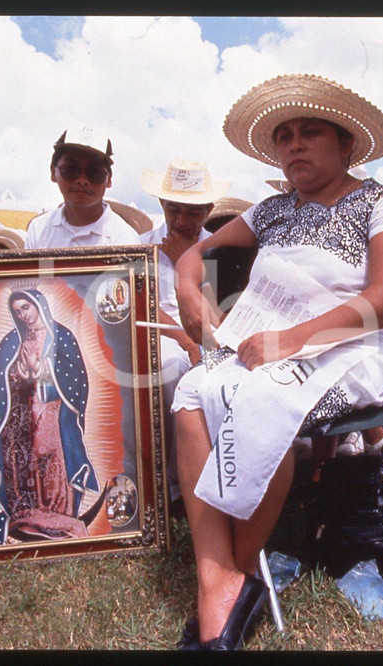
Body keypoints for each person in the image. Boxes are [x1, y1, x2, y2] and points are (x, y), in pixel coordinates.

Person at [171, 74, 383, 650]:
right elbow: (194, 254)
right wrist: (189, 286)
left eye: (310, 132)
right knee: (192, 392)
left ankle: (231, 577)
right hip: (274, 342)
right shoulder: (271, 210)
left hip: (361, 346)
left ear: (347, 145)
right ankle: (221, 578)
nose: (294, 145)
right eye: (284, 136)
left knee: (264, 401)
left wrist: (291, 340)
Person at [138, 159, 231, 504]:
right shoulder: (141, 247)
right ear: (161, 205)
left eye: (191, 212)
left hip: (210, 338)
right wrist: (181, 336)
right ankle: (175, 484)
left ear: (208, 209)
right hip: (158, 335)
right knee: (170, 366)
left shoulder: (220, 250)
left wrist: (184, 262)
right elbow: (141, 303)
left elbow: (220, 314)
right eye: (173, 210)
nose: (180, 221)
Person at [0, 289, 99, 545]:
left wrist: (41, 372)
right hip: (21, 414)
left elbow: (74, 381)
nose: (23, 315)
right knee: (25, 462)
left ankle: (59, 517)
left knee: (49, 457)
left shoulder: (62, 337)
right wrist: (19, 378)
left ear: (38, 305)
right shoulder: (12, 341)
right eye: (17, 311)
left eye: (26, 307)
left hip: (52, 413)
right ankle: (28, 516)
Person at [24, 126, 140, 249]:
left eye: (94, 172)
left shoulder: (125, 239)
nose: (82, 181)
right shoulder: (38, 230)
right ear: (53, 172)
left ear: (109, 179)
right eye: (71, 169)